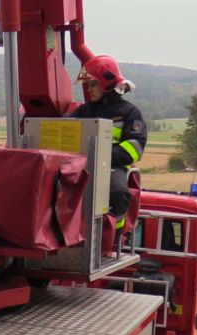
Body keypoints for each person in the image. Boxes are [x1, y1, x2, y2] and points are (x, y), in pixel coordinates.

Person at [71, 54, 146, 249]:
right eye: (88, 85)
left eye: (93, 85)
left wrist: (104, 157)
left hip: (113, 166)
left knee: (117, 193)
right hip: (81, 165)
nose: (89, 89)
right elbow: (67, 131)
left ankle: (113, 238)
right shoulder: (84, 111)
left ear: (106, 84)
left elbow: (135, 147)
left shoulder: (130, 112)